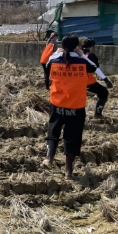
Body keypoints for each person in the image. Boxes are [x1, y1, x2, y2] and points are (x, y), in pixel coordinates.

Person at [43, 34, 98, 180]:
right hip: (76, 105)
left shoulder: (55, 60)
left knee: (53, 130)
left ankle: (49, 158)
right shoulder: (82, 62)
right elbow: (94, 68)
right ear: (76, 46)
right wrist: (82, 54)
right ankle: (68, 172)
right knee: (72, 138)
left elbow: (46, 64)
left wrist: (57, 52)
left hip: (58, 102)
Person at [82, 38, 114, 118]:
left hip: (76, 81)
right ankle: (98, 114)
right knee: (103, 93)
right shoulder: (91, 56)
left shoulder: (76, 54)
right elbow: (96, 69)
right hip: (88, 81)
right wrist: (106, 80)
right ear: (92, 46)